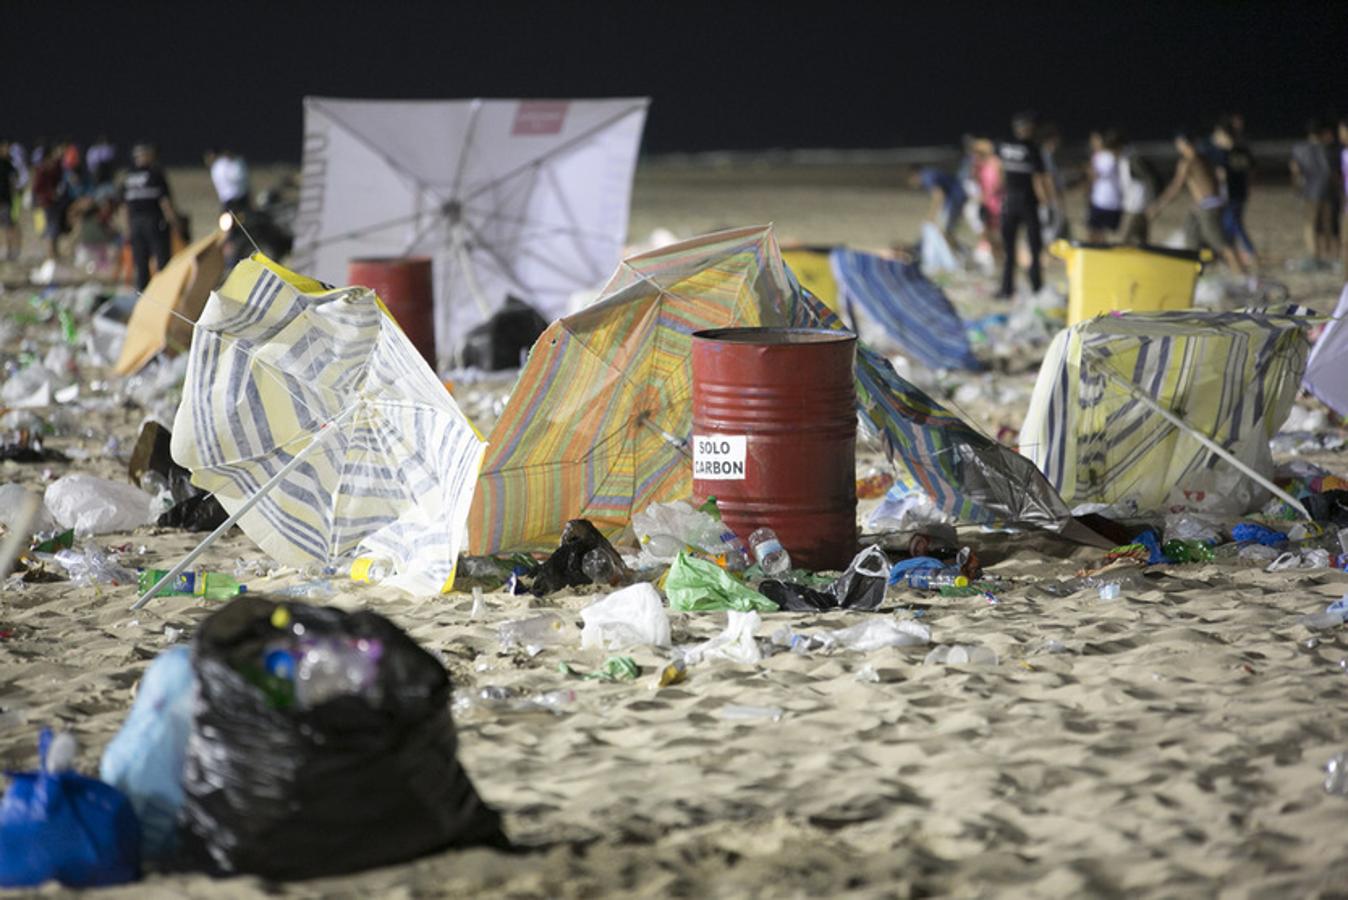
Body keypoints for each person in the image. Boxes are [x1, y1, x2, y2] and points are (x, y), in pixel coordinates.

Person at [1150, 131, 1246, 275]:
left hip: (1208, 207)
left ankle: (1242, 277)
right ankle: (1196, 272)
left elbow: (1175, 187)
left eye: (1179, 144)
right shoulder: (1204, 158)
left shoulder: (1187, 162)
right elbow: (1216, 179)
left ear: (1183, 144)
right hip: (1210, 205)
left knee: (1221, 244)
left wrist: (1158, 206)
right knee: (1192, 234)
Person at [994, 113, 1054, 298]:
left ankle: (1006, 289)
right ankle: (1036, 287)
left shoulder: (1004, 146)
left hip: (1009, 203)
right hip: (1028, 204)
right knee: (1034, 249)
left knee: (1009, 251)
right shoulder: (1034, 149)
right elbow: (1039, 180)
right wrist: (1048, 204)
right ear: (1029, 129)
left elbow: (997, 167)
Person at [121, 142, 181, 290]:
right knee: (162, 260)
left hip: (135, 224)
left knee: (140, 263)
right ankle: (164, 292)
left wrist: (127, 228)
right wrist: (175, 223)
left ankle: (142, 296)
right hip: (153, 222)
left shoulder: (128, 177)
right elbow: (165, 202)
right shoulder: (155, 174)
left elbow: (124, 206)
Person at [1209, 117, 1257, 268]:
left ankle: (1249, 252)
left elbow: (1220, 175)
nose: (1215, 137)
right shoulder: (1243, 150)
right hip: (1241, 192)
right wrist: (1248, 186)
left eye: (1218, 134)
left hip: (1229, 194)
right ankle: (1229, 255)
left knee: (1234, 223)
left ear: (1224, 134)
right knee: (1229, 224)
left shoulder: (1222, 154)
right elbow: (1251, 171)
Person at [1290, 119, 1334, 265]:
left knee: (1310, 223)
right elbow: (1334, 171)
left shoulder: (1299, 148)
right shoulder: (1328, 148)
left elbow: (1295, 170)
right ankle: (1329, 253)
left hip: (1310, 190)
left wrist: (1295, 187)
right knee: (1327, 223)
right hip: (1328, 189)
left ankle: (1313, 253)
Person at [911, 166, 966, 243]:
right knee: (947, 232)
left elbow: (938, 195)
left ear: (914, 175)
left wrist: (931, 216)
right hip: (958, 196)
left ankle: (958, 251)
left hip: (953, 199)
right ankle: (958, 250)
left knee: (941, 231)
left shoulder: (926, 177)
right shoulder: (929, 172)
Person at [1086, 129, 1123, 241]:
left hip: (1107, 202)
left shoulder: (1107, 157)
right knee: (1094, 233)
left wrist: (1087, 169)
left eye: (1096, 140)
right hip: (1100, 200)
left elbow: (1096, 175)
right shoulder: (1099, 156)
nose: (1093, 143)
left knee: (1100, 234)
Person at [1117, 139, 1155, 244]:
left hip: (1135, 208)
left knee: (1123, 242)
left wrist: (1152, 203)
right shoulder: (1126, 159)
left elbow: (1149, 179)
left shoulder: (1131, 160)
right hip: (1137, 206)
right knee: (1142, 242)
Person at [206, 148, 250, 212]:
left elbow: (242, 179)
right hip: (227, 200)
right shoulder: (219, 166)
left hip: (242, 198)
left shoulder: (239, 162)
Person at [0, 142, 18, 260]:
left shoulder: (8, 164)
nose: (7, 150)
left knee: (8, 226)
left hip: (6, 200)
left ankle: (9, 250)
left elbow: (14, 181)